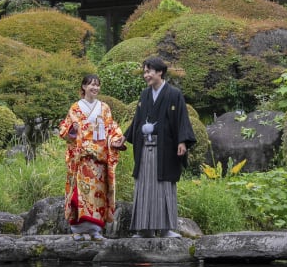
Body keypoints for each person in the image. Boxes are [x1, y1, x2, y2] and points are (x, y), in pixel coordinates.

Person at [124, 56, 196, 238]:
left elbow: (181, 119)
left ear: (160, 72)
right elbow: (137, 121)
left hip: (165, 149)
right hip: (145, 148)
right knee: (144, 185)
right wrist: (123, 138)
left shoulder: (174, 94)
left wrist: (182, 141)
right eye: (145, 72)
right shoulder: (144, 95)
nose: (146, 75)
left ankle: (165, 229)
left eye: (149, 71)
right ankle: (144, 229)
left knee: (164, 186)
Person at [58, 74, 125, 241]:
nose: (95, 88)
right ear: (83, 87)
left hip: (99, 160)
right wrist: (73, 130)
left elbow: (112, 128)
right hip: (82, 159)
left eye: (97, 85)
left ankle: (95, 230)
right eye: (91, 85)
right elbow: (65, 130)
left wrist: (116, 141)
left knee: (98, 195)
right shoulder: (75, 108)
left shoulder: (104, 108)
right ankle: (77, 229)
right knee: (79, 195)